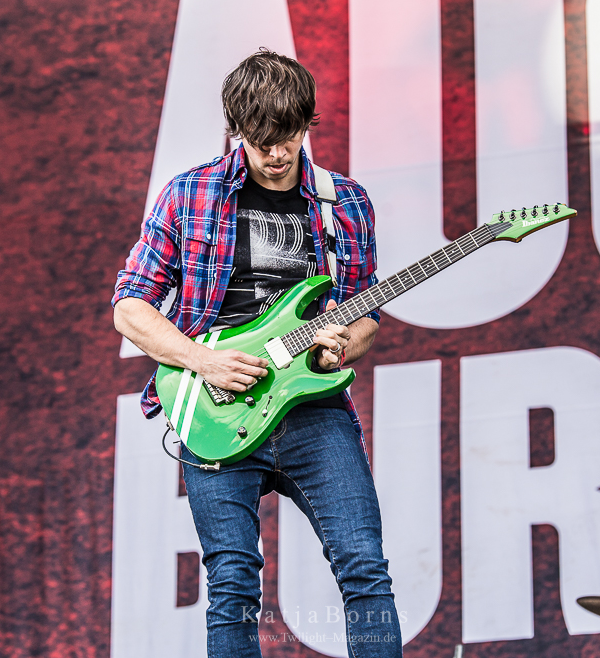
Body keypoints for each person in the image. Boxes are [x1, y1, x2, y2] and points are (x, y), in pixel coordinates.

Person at [111, 49, 402, 658]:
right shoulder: (189, 195)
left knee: (364, 566)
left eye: (288, 136)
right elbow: (130, 308)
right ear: (236, 130)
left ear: (307, 123)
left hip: (312, 412)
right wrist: (202, 360)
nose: (276, 153)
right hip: (214, 407)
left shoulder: (345, 203)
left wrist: (339, 347)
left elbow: (363, 316)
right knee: (233, 583)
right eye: (260, 140)